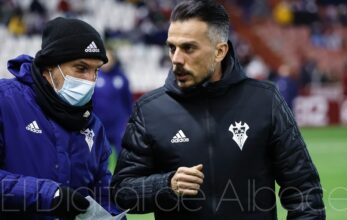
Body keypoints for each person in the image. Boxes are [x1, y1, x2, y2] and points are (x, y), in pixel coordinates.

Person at [111, 0, 325, 220]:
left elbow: (304, 191)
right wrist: (166, 185)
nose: (176, 59)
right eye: (172, 47)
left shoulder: (265, 101)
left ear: (219, 51)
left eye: (188, 48)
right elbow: (122, 192)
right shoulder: (150, 111)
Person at [0, 17, 120, 219]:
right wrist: (50, 194)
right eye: (81, 68)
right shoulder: (5, 102)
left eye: (96, 70)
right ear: (49, 66)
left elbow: (104, 197)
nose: (91, 80)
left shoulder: (94, 127)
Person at [93, 48, 133, 157]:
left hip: (118, 123)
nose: (107, 62)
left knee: (121, 153)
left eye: (110, 58)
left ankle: (122, 174)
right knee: (99, 155)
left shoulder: (121, 77)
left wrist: (129, 119)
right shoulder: (94, 76)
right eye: (105, 59)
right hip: (99, 122)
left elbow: (128, 100)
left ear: (114, 59)